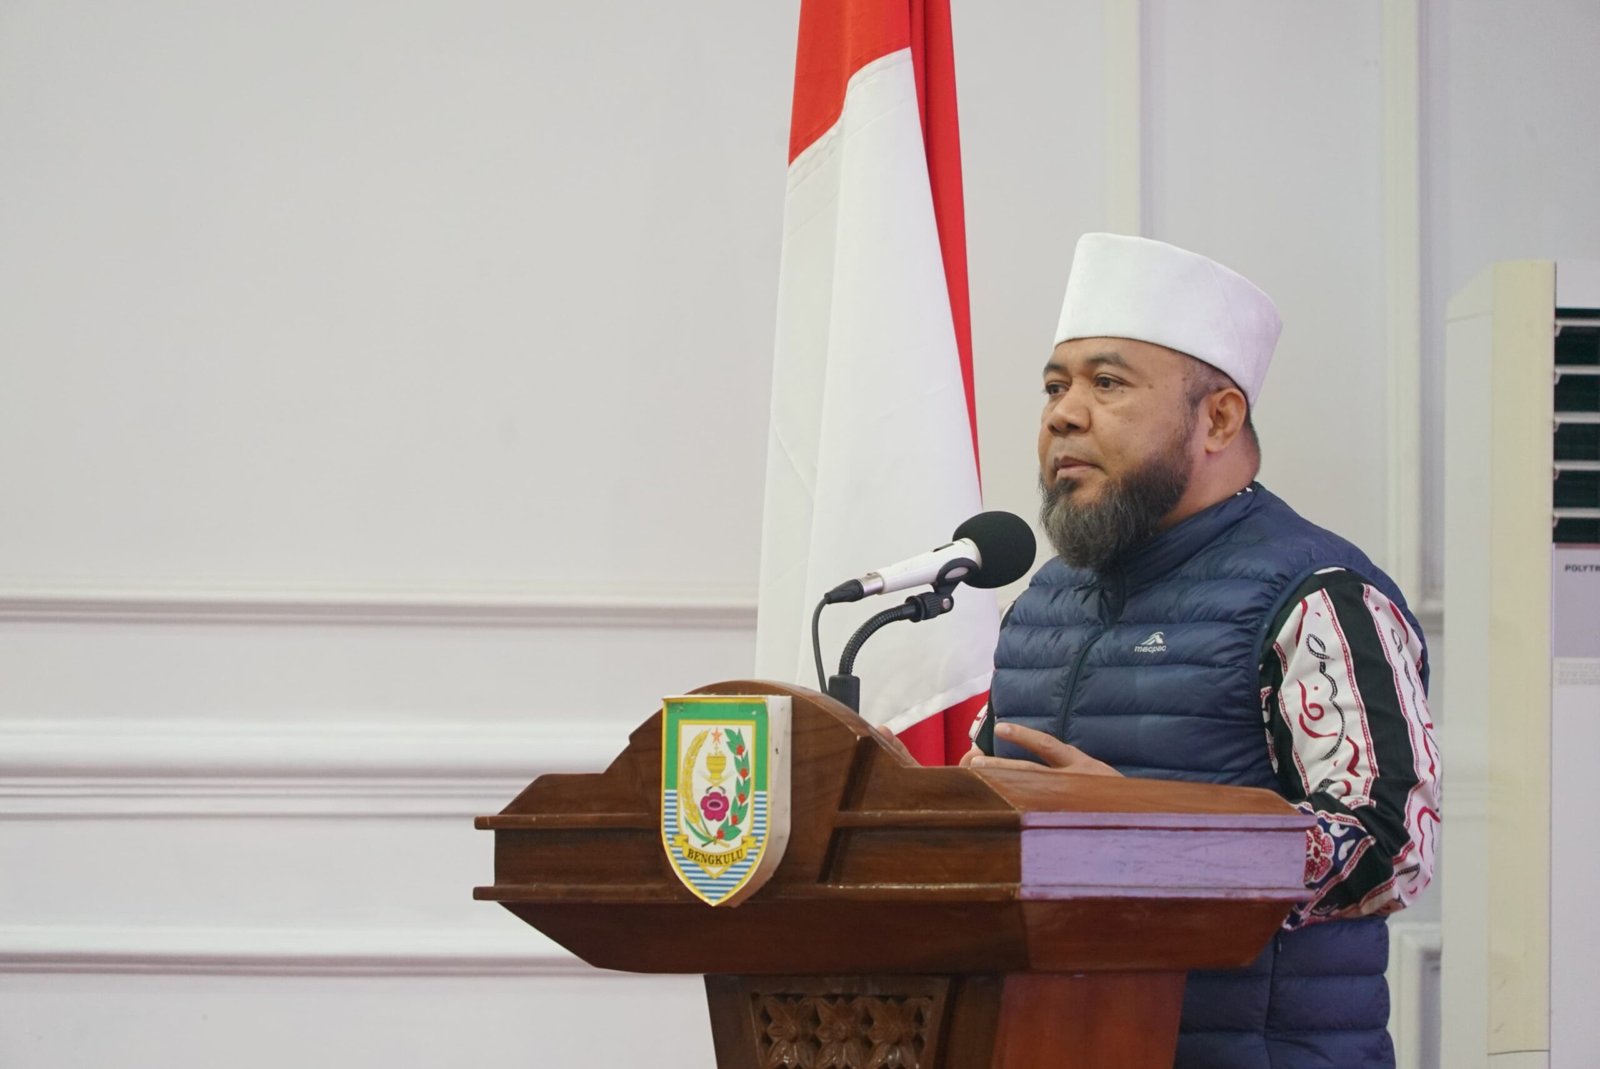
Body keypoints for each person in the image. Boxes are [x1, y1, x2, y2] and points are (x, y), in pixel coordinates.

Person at [971, 233, 1440, 1069]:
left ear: (1218, 416)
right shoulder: (1040, 605)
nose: (1062, 413)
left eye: (1106, 383)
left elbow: (1391, 845)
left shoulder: (1319, 593)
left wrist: (1149, 834)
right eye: (1054, 385)